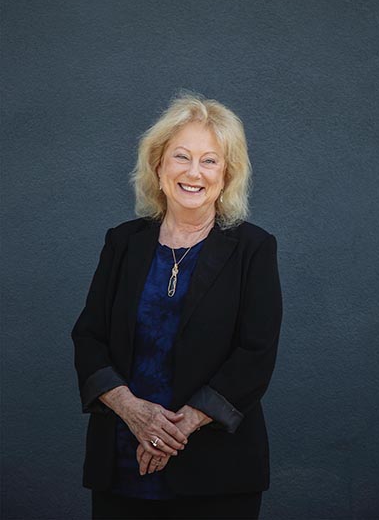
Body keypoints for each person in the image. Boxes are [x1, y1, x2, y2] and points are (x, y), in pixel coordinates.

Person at [72, 95, 282, 519]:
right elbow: (89, 337)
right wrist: (134, 413)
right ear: (158, 166)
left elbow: (255, 355)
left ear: (227, 175)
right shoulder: (122, 242)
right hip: (122, 460)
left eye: (209, 161)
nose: (193, 172)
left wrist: (177, 429)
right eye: (181, 157)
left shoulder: (254, 249)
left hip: (218, 472)